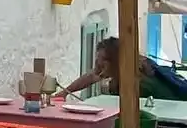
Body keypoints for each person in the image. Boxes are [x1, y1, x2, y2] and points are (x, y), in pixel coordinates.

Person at [59, 35, 187, 102]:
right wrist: (64, 93)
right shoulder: (128, 66)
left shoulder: (138, 81)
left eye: (102, 62)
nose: (98, 64)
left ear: (114, 61)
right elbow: (92, 76)